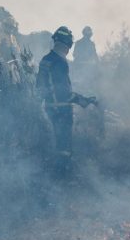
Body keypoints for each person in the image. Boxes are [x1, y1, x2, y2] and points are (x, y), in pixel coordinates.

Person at [36, 26, 96, 174]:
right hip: (61, 108)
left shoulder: (45, 59)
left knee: (57, 142)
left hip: (50, 106)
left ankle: (55, 174)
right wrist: (82, 101)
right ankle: (63, 176)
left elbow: (39, 86)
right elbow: (63, 92)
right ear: (66, 45)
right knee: (64, 146)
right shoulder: (60, 63)